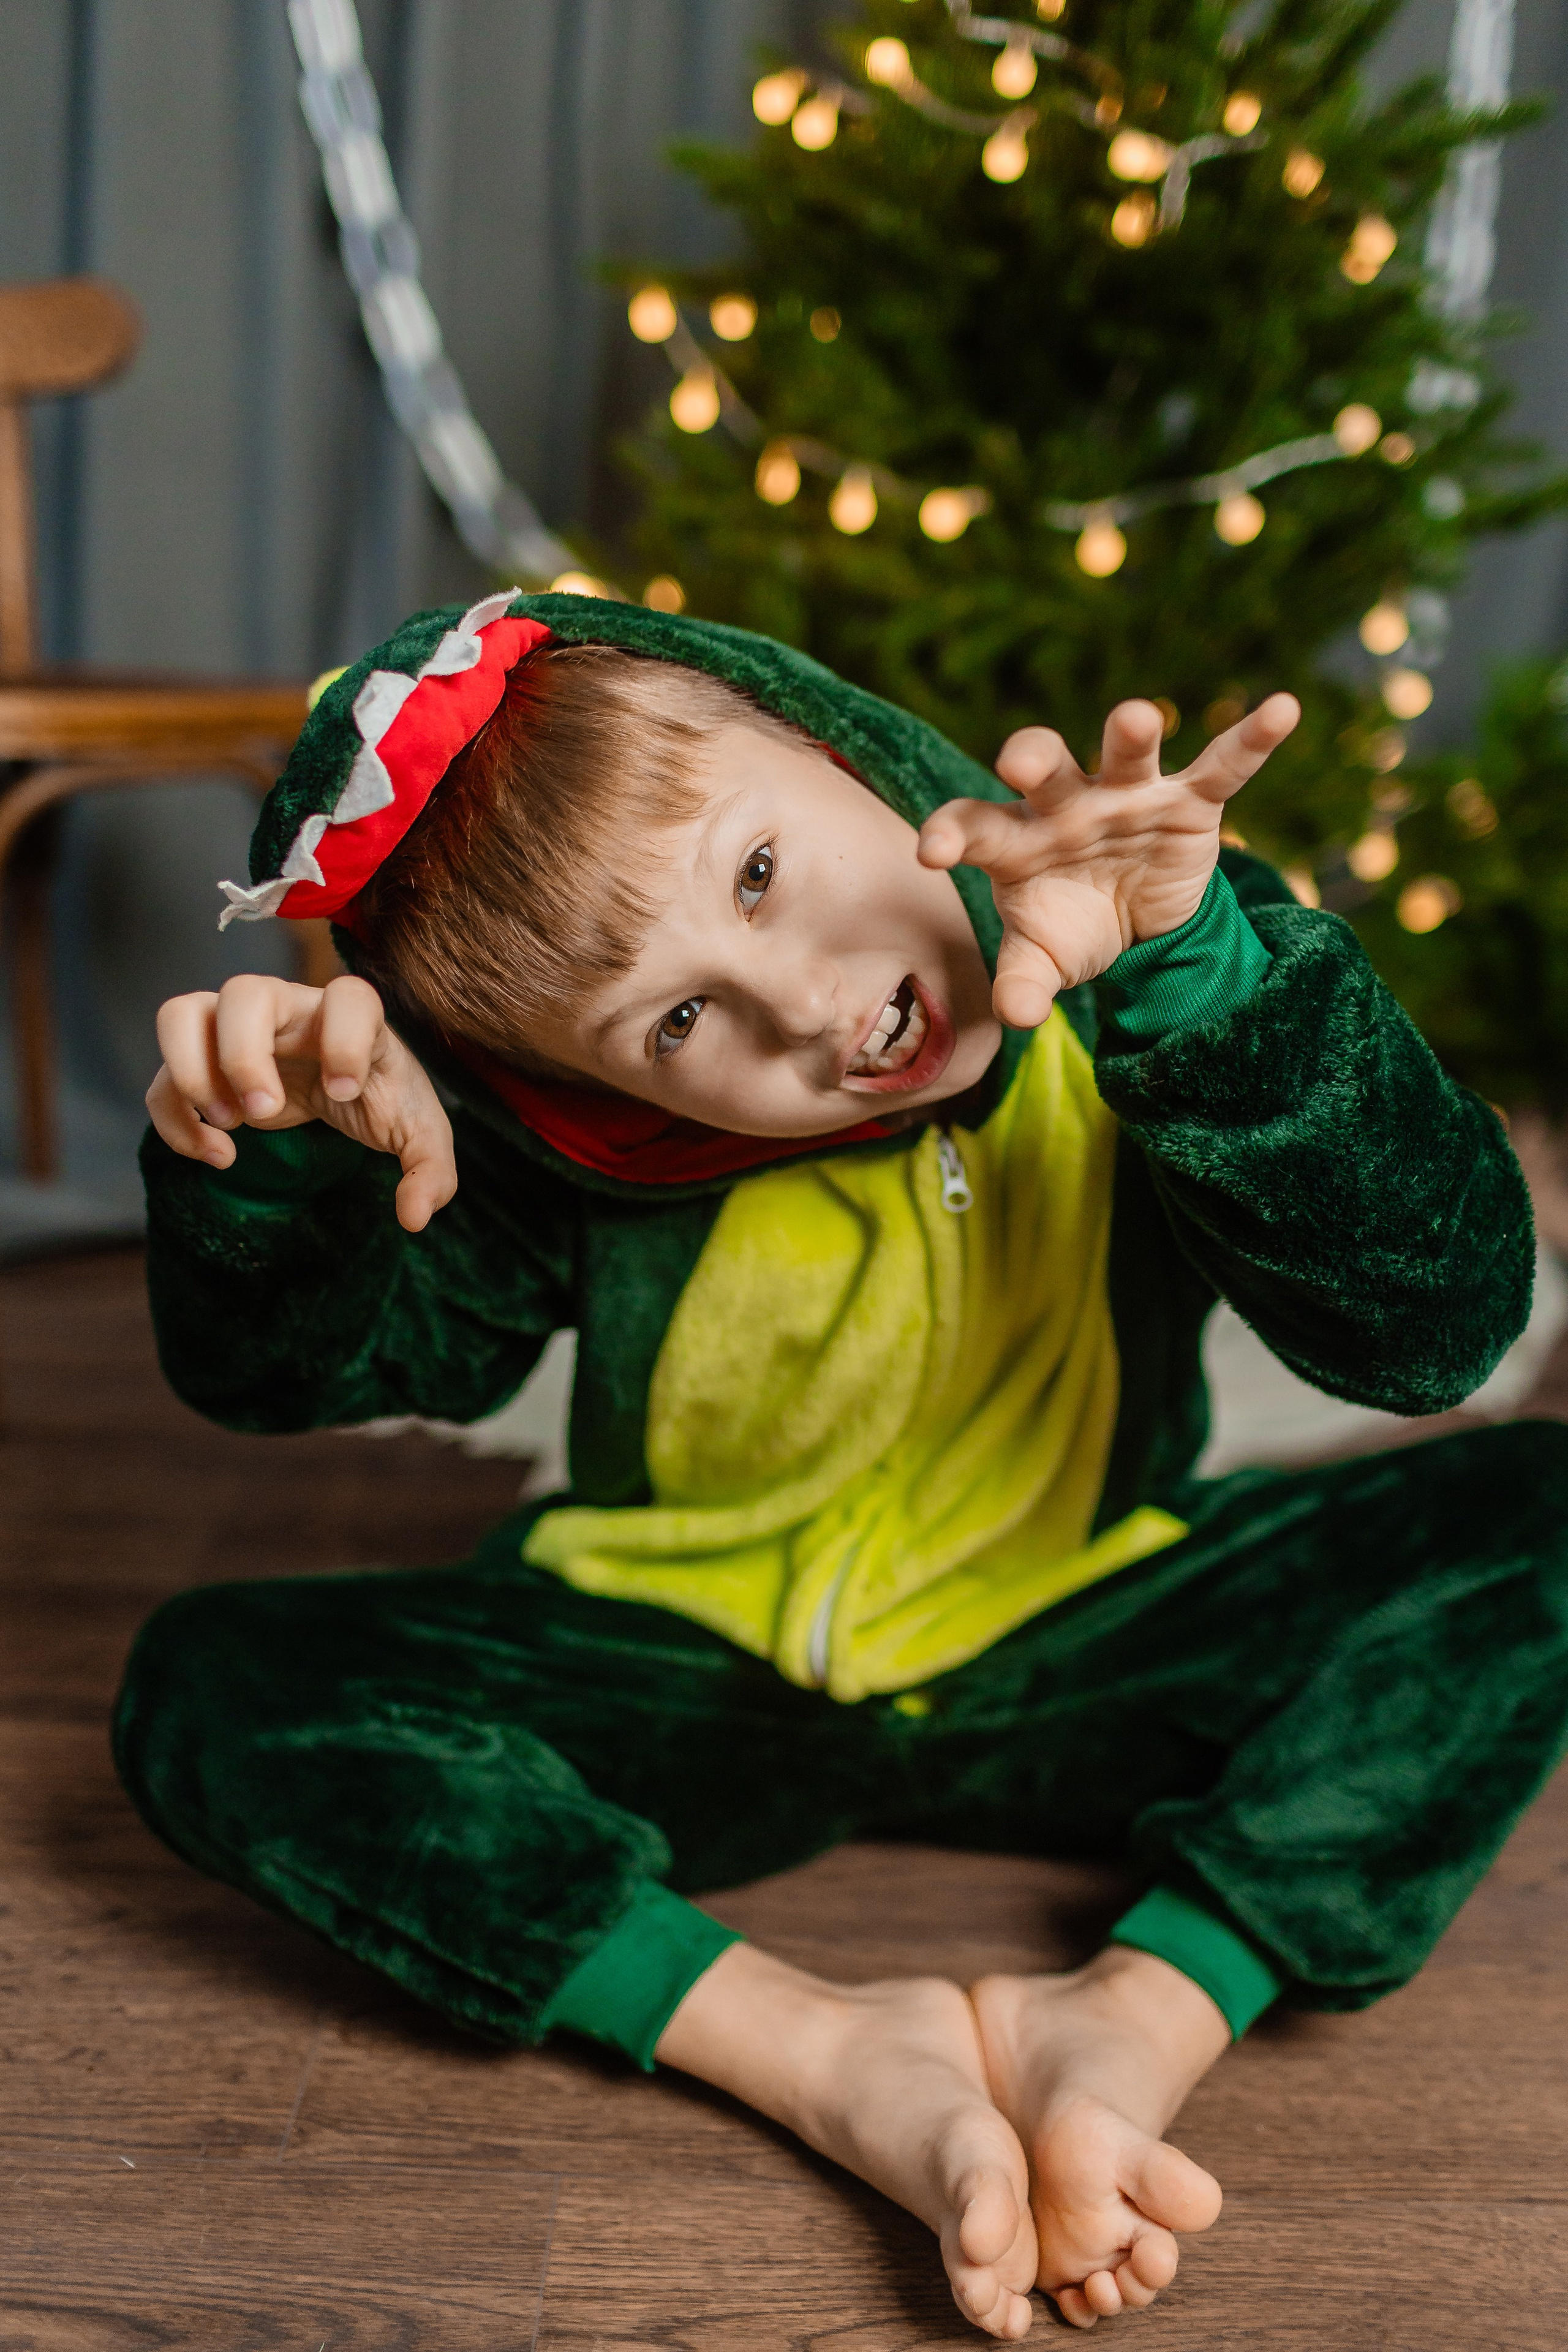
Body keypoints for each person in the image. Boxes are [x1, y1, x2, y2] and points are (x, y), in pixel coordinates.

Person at [117, 592, 1567, 2336]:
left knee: (1537, 1516)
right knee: (215, 1687)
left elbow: (1439, 1325)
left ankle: (1147, 2010)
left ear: (827, 747)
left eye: (754, 873)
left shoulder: (1154, 958)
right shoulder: (586, 1171)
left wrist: (1201, 978)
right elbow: (293, 1379)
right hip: (703, 1669)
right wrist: (286, 1177)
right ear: (601, 1098)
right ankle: (818, 2053)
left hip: (1084, 1619)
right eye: (675, 1027)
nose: (809, 1008)